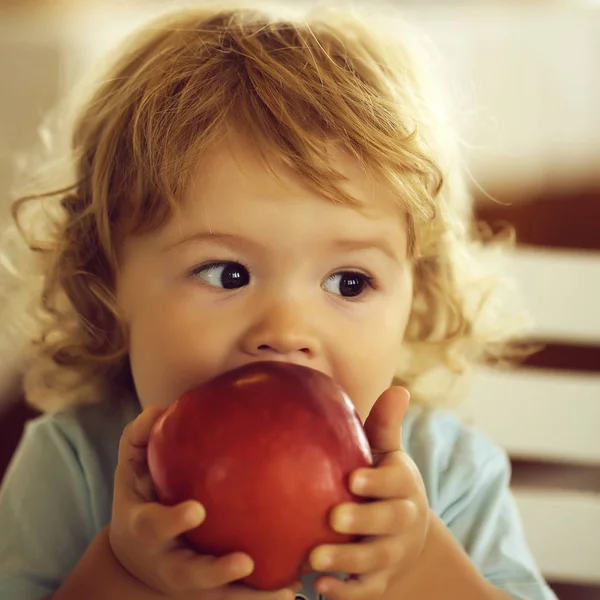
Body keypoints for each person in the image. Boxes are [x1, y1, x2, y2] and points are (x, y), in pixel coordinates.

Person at [0, 3, 557, 600]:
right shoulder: (71, 467)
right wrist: (121, 575)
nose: (287, 330)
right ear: (106, 286)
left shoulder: (449, 476)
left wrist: (418, 569)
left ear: (415, 301)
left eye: (349, 282)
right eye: (226, 273)